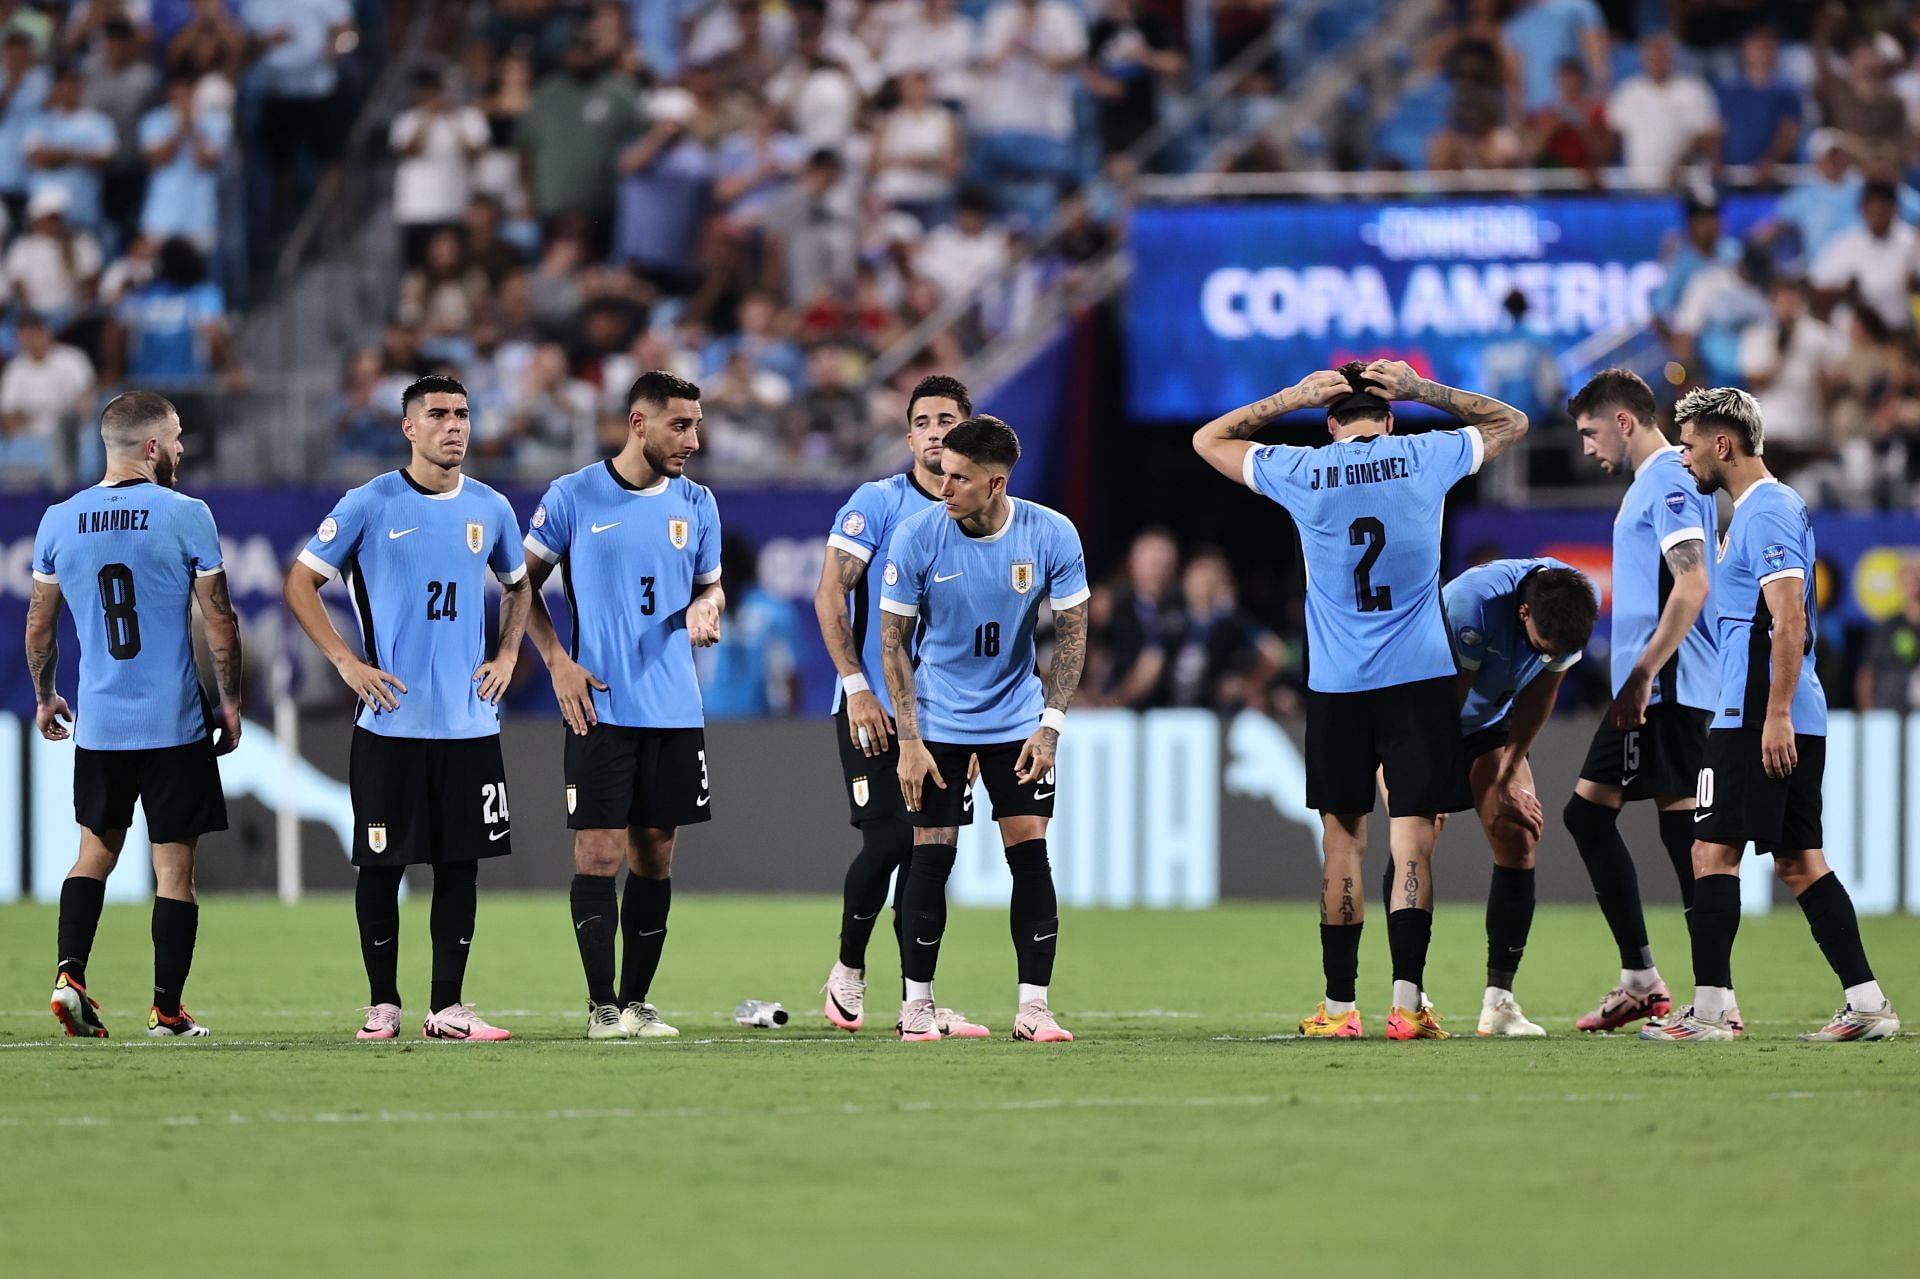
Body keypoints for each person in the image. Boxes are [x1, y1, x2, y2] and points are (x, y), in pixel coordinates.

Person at [1192, 359, 1529, 1039]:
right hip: (1421, 680)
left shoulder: (1302, 470)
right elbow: (1511, 422)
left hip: (1339, 685)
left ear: (1329, 420)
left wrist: (1288, 395)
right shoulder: (1426, 454)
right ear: (1391, 415)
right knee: (1413, 846)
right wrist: (1424, 389)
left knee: (1342, 843)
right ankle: (1407, 1005)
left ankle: (1341, 1008)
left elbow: (1207, 440)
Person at [282, 374, 531, 1043]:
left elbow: (520, 583)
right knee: (381, 863)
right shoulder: (369, 503)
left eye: (463, 414)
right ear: (408, 427)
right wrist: (346, 661)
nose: (455, 425)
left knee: (460, 864)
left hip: (469, 723)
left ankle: (446, 1008)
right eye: (439, 414)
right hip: (390, 723)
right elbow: (301, 582)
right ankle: (383, 1003)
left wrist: (507, 654)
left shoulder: (492, 508)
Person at [1647, 386, 1899, 1043]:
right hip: (1767, 704)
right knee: (1797, 859)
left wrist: (1775, 713)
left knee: (1711, 849)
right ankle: (1868, 1001)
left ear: (1723, 444)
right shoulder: (1759, 511)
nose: (1685, 456)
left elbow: (1789, 620)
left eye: (1693, 443)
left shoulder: (1767, 511)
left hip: (1756, 707)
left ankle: (1707, 1014)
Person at [29, 390, 243, 1039]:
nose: (181, 448)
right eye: (176, 438)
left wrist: (45, 695)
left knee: (93, 851)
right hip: (173, 723)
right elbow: (221, 624)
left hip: (101, 724)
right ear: (151, 447)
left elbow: (40, 628)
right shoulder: (187, 514)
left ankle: (70, 975)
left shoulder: (58, 521)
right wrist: (231, 702)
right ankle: (166, 1010)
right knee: (173, 869)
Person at [522, 370, 725, 1042]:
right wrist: (557, 662)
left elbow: (712, 588)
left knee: (656, 854)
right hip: (601, 705)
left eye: (696, 424)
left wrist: (705, 607)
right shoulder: (574, 495)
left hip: (674, 708)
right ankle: (601, 1005)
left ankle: (638, 1002)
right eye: (680, 424)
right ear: (638, 422)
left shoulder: (698, 503)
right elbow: (518, 587)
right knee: (598, 851)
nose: (693, 439)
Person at [880, 414, 1089, 1043]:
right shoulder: (918, 537)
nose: (944, 488)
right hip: (938, 721)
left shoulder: (1051, 534)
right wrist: (910, 741)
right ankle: (917, 1006)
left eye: (959, 479)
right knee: (931, 856)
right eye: (943, 474)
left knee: (1030, 855)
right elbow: (893, 644)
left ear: (996, 484)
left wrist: (1049, 726)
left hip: (1016, 719)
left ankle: (1033, 1009)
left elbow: (1074, 636)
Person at [813, 374, 986, 1035]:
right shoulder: (877, 503)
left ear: (968, 429)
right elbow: (831, 593)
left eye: (948, 418)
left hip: (948, 717)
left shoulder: (983, 512)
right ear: (909, 434)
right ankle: (848, 970)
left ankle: (920, 1002)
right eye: (924, 420)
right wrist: (856, 685)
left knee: (929, 858)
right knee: (888, 840)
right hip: (875, 708)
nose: (936, 429)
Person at [1564, 369, 1723, 1033]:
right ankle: (1642, 979)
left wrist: (1643, 674)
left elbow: (1691, 586)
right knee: (1590, 815)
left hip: (1672, 686)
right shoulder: (1652, 484)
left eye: (1589, 431)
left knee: (1688, 835)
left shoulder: (1668, 479)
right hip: (1655, 686)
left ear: (1623, 421)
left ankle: (1716, 999)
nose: (1586, 447)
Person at [1438, 558, 1599, 1036]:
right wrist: (1437, 777)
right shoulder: (1473, 605)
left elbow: (1540, 695)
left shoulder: (1570, 611)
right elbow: (1447, 699)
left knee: (1518, 833)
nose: (1548, 657)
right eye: (1540, 649)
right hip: (1425, 718)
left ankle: (1499, 1003)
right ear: (1523, 614)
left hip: (1487, 723)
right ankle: (1410, 996)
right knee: (1418, 834)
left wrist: (1507, 772)